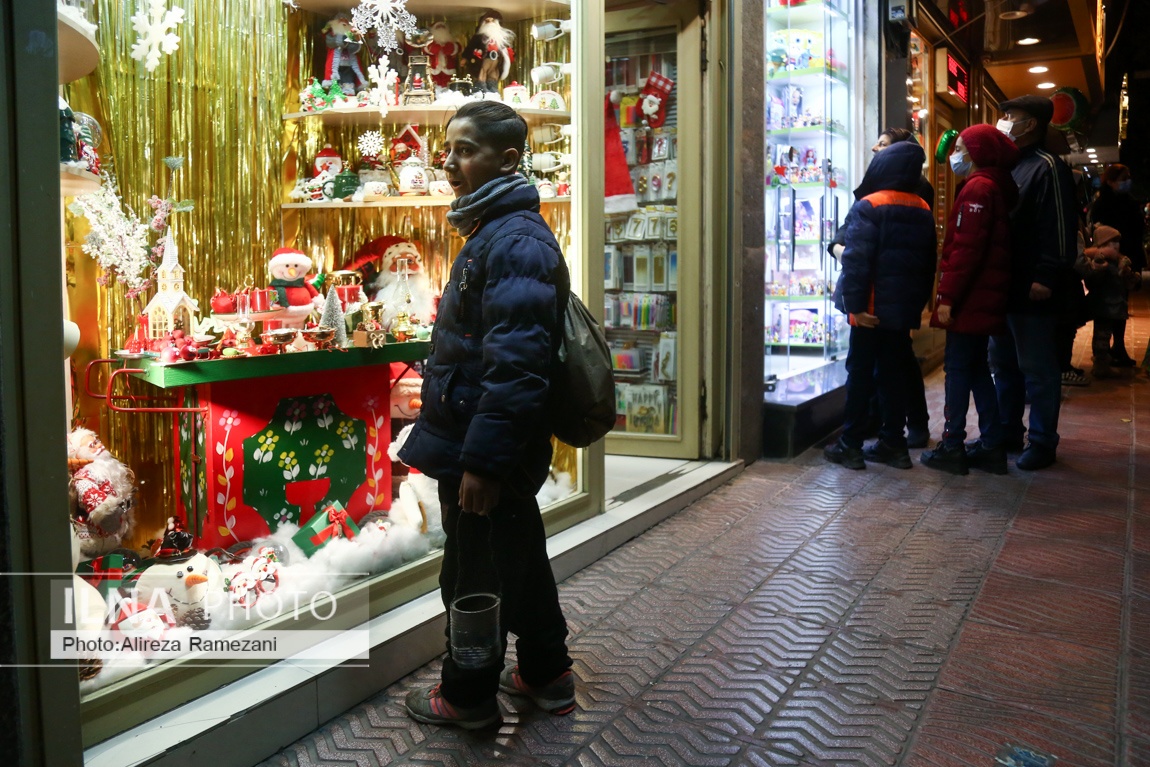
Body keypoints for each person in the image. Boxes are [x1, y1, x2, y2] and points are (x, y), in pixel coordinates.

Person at [398, 101, 574, 729]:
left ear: (507, 159)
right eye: (447, 149)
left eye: (465, 150)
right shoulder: (496, 232)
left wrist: (482, 462)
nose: (449, 163)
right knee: (519, 556)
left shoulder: (514, 241)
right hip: (485, 439)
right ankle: (547, 673)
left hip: (483, 445)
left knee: (472, 572)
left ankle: (469, 696)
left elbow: (517, 366)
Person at [824, 140, 937, 470]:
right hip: (900, 312)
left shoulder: (870, 204)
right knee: (892, 376)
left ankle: (851, 444)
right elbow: (927, 265)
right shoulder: (921, 207)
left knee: (859, 375)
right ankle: (894, 443)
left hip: (870, 309)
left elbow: (857, 262)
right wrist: (914, 308)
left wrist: (855, 306)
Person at [919, 125, 1019, 476]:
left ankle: (952, 445)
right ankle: (992, 445)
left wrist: (946, 297)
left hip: (970, 299)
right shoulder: (992, 187)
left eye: (961, 147)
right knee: (976, 368)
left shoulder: (978, 188)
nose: (954, 154)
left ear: (978, 152)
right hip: (982, 296)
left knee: (959, 370)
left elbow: (966, 250)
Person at [988, 95, 1077, 471]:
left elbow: (1059, 226)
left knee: (1038, 368)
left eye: (1013, 117)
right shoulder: (1009, 166)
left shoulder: (1047, 167)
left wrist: (1046, 275)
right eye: (1005, 116)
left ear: (1033, 125)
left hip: (1033, 287)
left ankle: (1042, 441)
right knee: (1003, 364)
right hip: (1004, 285)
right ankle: (1009, 430)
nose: (1005, 122)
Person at [1088, 163, 1146, 367]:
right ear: (1111, 181)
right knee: (1106, 305)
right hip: (1112, 260)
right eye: (1123, 178)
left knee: (1121, 304)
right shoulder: (1103, 203)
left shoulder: (1129, 202)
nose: (1127, 181)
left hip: (1129, 256)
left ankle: (1119, 346)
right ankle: (1102, 351)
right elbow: (1100, 233)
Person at [1076, 224, 1140, 378]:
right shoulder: (1100, 263)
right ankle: (1100, 363)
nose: (1116, 246)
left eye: (1117, 242)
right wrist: (1100, 269)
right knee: (1101, 337)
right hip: (1104, 306)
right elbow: (1092, 280)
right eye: (1111, 243)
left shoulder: (1120, 262)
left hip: (1117, 306)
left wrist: (1129, 276)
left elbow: (1128, 282)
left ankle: (1107, 358)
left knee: (1111, 333)